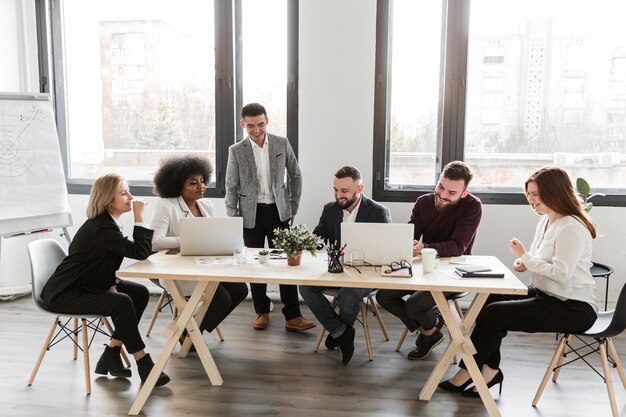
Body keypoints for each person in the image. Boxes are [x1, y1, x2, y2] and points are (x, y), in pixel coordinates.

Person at [439, 166, 598, 397]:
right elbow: (536, 260)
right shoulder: (546, 221)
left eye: (536, 194)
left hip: (572, 306)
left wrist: (524, 256)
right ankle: (488, 370)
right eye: (529, 194)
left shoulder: (572, 227)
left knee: (495, 315)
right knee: (488, 299)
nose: (532, 200)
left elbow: (562, 273)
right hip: (545, 294)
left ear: (554, 192)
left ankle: (472, 372)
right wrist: (524, 262)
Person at [40, 174, 170, 387]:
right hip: (66, 294)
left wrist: (110, 283)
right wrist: (139, 217)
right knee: (122, 301)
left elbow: (100, 263)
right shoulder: (101, 228)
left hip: (86, 285)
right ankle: (143, 362)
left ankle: (111, 354)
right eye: (123, 193)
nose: (130, 196)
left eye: (128, 191)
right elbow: (140, 251)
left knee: (139, 293)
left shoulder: (107, 224)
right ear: (108, 200)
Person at [376, 161, 482, 360]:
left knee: (414, 305)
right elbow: (411, 234)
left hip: (454, 273)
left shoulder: (473, 206)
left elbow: (458, 247)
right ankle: (431, 329)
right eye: (441, 187)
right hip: (423, 269)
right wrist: (401, 243)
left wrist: (424, 247)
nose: (442, 195)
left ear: (463, 193)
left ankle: (428, 328)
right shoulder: (423, 202)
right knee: (383, 296)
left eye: (451, 193)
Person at [225, 102, 315, 332]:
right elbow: (231, 186)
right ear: (243, 124)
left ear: (267, 121)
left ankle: (292, 316)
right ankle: (261, 312)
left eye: (261, 124)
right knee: (255, 264)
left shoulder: (281, 143)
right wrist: (233, 217)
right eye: (251, 125)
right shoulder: (236, 150)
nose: (257, 129)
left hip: (279, 210)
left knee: (287, 263)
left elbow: (296, 175)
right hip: (250, 213)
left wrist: (293, 206)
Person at [300, 166, 391, 365]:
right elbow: (318, 236)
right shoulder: (330, 209)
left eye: (344, 191)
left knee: (349, 293)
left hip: (367, 273)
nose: (338, 195)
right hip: (337, 270)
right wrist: (303, 241)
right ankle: (341, 332)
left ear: (360, 188)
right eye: (335, 190)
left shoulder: (378, 212)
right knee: (305, 286)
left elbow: (386, 251)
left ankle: (337, 332)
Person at [151, 155, 248, 337]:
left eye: (202, 181)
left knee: (240, 289)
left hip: (206, 265)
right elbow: (154, 242)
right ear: (177, 185)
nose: (201, 186)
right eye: (193, 183)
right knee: (221, 299)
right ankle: (189, 336)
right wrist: (188, 239)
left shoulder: (207, 205)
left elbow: (211, 235)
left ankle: (190, 332)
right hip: (177, 270)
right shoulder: (166, 206)